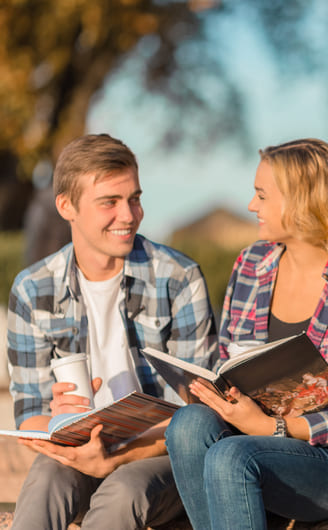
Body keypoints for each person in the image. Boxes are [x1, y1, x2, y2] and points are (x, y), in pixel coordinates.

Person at [164, 138, 328, 529]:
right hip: (249, 441)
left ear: (302, 202)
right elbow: (229, 363)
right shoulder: (251, 264)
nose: (251, 206)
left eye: (262, 195)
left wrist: (273, 428)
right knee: (189, 424)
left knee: (232, 457)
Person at [6, 133, 218, 530]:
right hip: (76, 450)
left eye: (134, 199)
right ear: (66, 206)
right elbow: (30, 416)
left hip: (159, 455)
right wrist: (57, 421)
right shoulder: (33, 288)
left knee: (121, 493)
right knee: (45, 481)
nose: (129, 215)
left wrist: (116, 456)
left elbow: (199, 413)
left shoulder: (178, 278)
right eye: (110, 202)